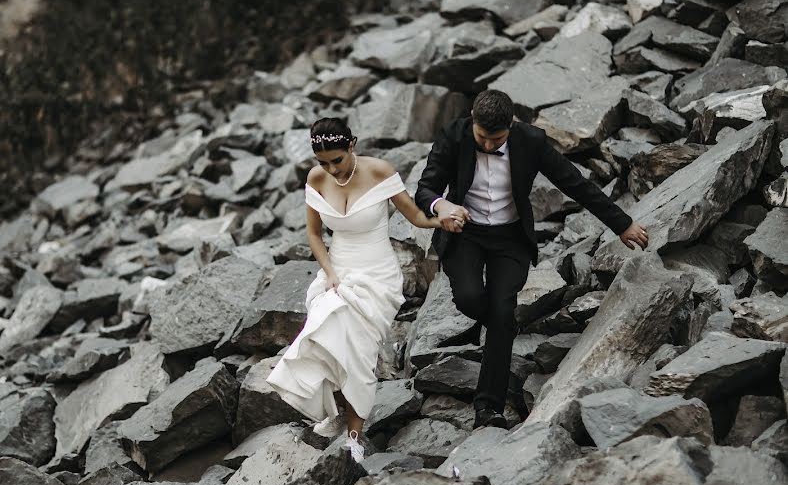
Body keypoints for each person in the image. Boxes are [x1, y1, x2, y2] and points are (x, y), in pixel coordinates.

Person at [415, 89, 649, 430]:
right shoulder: (454, 135)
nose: (489, 146)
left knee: (501, 310)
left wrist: (623, 224)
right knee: (470, 299)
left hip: (511, 239)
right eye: (483, 137)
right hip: (465, 234)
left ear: (511, 125)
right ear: (473, 122)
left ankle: (488, 408)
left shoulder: (532, 141)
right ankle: (503, 329)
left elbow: (575, 185)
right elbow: (425, 189)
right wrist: (442, 206)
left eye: (497, 139)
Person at [266, 118, 443, 463]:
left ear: (352, 146)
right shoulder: (317, 179)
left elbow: (417, 218)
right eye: (323, 163)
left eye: (337, 160)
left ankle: (354, 437)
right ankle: (334, 411)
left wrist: (445, 219)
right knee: (325, 333)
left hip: (377, 275)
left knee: (360, 351)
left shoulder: (379, 172)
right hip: (338, 270)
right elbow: (315, 235)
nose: (331, 169)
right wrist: (329, 273)